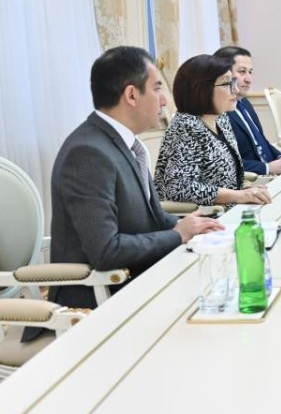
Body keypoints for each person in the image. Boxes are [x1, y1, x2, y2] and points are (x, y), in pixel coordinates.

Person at [45, 47, 223, 311]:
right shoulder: (88, 152)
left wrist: (195, 226)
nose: (164, 100)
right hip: (101, 299)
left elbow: (152, 218)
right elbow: (106, 251)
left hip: (139, 278)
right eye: (157, 88)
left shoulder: (124, 144)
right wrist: (178, 235)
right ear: (131, 95)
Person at [155, 54, 272, 207]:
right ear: (202, 89)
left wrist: (247, 188)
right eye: (227, 83)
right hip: (204, 217)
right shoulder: (185, 127)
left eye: (233, 82)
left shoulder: (221, 119)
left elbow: (223, 178)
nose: (236, 89)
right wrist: (237, 195)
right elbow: (179, 188)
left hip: (230, 209)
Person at [213, 45, 281, 176]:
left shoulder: (244, 103)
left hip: (273, 173)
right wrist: (267, 168)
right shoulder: (216, 112)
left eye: (250, 72)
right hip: (254, 180)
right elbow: (225, 162)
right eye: (242, 71)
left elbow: (261, 141)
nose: (249, 79)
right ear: (224, 74)